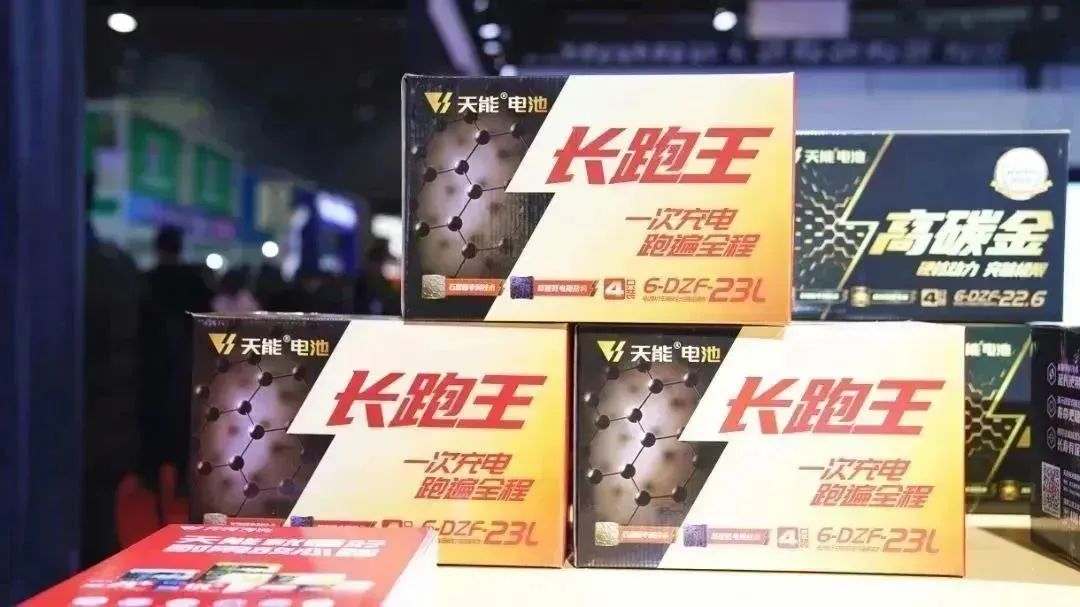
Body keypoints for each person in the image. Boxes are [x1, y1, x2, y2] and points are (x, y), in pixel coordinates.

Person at [83, 173, 142, 566]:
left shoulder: (63, 265)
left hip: (88, 423)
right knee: (97, 529)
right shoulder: (116, 266)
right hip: (107, 424)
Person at [138, 225, 213, 491]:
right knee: (185, 421)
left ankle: (151, 477)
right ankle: (183, 478)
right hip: (188, 364)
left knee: (153, 420)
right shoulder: (195, 282)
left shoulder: (146, 281)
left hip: (151, 366)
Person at [353, 238, 401, 316]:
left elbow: (394, 307)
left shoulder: (386, 285)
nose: (376, 267)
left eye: (380, 261)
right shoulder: (360, 284)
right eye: (375, 261)